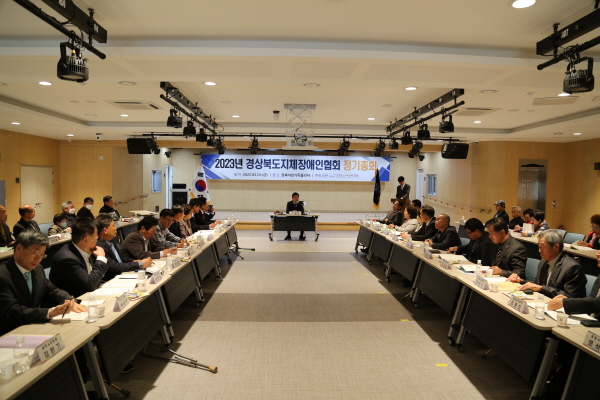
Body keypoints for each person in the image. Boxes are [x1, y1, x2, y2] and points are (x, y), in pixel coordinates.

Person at [0, 230, 87, 335]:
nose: (38, 258)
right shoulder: (2, 275)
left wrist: (69, 300)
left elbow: (50, 290)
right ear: (19, 248)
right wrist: (50, 312)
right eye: (35, 252)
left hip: (34, 326)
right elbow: (11, 311)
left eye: (42, 254)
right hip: (11, 333)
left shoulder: (38, 269)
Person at [506, 230, 587, 298]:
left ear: (556, 247)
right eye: (539, 247)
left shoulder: (572, 268)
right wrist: (521, 281)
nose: (539, 251)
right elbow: (537, 284)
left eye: (542, 246)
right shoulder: (543, 261)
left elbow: (570, 297)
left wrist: (542, 288)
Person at [50, 217, 110, 298]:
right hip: (73, 300)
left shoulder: (85, 248)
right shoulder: (67, 259)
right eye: (95, 235)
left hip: (88, 295)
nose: (97, 238)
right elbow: (90, 284)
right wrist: (101, 258)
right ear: (85, 240)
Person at [95, 214, 152, 282]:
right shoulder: (99, 247)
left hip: (122, 275)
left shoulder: (110, 241)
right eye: (113, 225)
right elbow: (114, 267)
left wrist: (134, 261)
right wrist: (140, 264)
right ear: (105, 230)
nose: (116, 228)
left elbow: (120, 258)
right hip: (111, 280)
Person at [548, 250, 600, 317]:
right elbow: (593, 299)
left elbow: (598, 303)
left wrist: (565, 303)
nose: (597, 253)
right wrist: (569, 300)